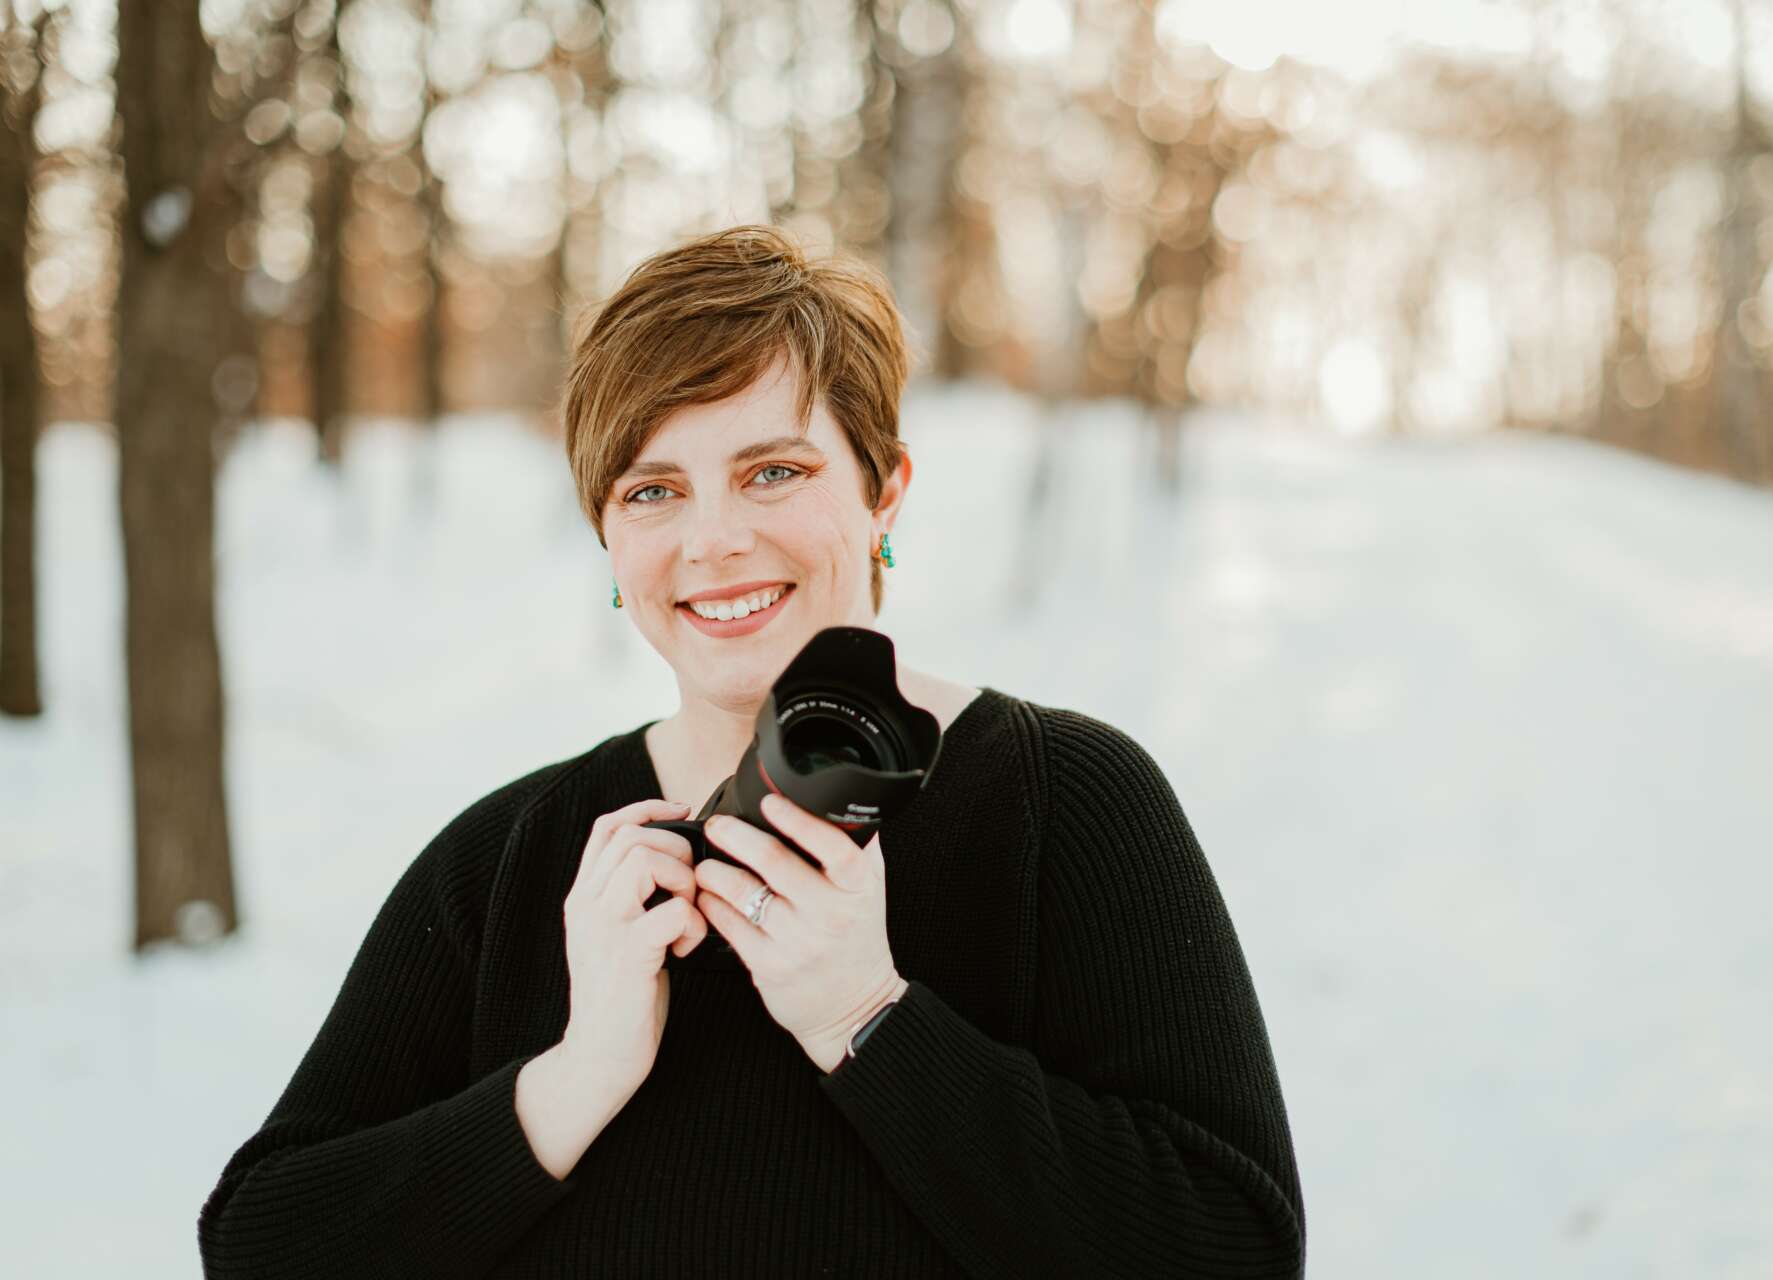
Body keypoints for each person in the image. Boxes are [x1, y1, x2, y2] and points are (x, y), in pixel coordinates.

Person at [196, 224, 1306, 1278]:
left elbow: (1236, 1248)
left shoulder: (1067, 801)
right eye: (652, 490)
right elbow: (263, 1246)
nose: (714, 540)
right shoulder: (513, 858)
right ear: (607, 536)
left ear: (884, 491)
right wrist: (576, 1077)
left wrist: (868, 1019)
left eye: (773, 470)